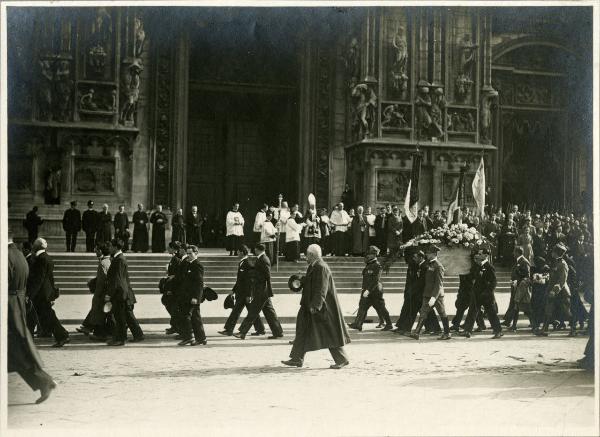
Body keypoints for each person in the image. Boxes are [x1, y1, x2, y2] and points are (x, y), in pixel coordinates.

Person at [282, 244, 351, 369]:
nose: (305, 256)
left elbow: (321, 289)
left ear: (312, 255)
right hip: (308, 305)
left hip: (322, 308)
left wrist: (316, 306)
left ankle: (342, 359)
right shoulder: (314, 266)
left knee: (329, 332)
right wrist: (301, 280)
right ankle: (297, 358)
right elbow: (312, 281)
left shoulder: (321, 267)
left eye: (307, 254)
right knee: (302, 330)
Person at [7, 235, 57, 404]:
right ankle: (44, 382)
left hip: (9, 307)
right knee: (15, 352)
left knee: (16, 352)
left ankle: (44, 381)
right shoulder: (19, 255)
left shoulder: (7, 256)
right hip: (16, 306)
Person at [26, 238, 70, 347]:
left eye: (34, 245)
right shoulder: (47, 257)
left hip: (40, 294)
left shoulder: (41, 259)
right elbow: (49, 278)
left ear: (36, 246)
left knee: (47, 316)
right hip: (45, 293)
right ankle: (61, 335)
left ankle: (62, 335)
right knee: (45, 315)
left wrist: (30, 294)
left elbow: (39, 279)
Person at [235, 243, 284, 340]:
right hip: (263, 290)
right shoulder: (262, 258)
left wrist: (253, 276)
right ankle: (278, 332)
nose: (254, 251)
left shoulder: (263, 259)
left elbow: (267, 275)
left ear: (258, 249)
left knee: (253, 311)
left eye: (255, 250)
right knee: (269, 312)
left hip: (262, 290)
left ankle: (243, 332)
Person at [219, 245, 266, 336]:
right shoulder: (242, 263)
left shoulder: (247, 263)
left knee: (238, 311)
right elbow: (240, 280)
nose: (237, 253)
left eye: (238, 251)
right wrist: (233, 290)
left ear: (242, 252)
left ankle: (229, 330)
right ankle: (260, 329)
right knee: (250, 311)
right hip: (241, 292)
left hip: (245, 293)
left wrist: (249, 294)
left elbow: (250, 281)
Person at [105, 239, 144, 345]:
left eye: (111, 246)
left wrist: (110, 294)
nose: (109, 248)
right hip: (123, 292)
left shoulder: (119, 260)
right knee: (127, 315)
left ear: (115, 247)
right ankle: (138, 335)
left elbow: (117, 279)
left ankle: (120, 339)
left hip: (120, 293)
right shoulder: (118, 258)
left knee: (120, 316)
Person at [460, 247, 504, 339]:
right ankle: (467, 330)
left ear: (484, 257)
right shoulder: (478, 266)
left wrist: (487, 292)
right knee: (472, 311)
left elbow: (494, 282)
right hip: (476, 294)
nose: (477, 257)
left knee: (491, 313)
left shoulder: (489, 267)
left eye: (479, 256)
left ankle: (498, 331)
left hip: (486, 295)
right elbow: (473, 277)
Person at [409, 245, 451, 340]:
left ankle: (447, 333)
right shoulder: (429, 264)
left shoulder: (438, 266)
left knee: (442, 313)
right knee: (423, 312)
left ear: (433, 254)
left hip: (436, 295)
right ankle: (416, 332)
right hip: (427, 293)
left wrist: (433, 297)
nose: (426, 254)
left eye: (428, 253)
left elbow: (438, 284)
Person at [348, 245, 393, 331]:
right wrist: (364, 289)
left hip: (375, 292)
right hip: (367, 291)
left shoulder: (377, 266)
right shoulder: (369, 265)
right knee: (362, 307)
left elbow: (375, 280)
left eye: (369, 254)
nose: (367, 256)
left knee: (381, 308)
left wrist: (368, 290)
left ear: (374, 255)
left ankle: (389, 324)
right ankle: (358, 324)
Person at [536, 243, 571, 337]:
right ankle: (545, 330)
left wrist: (554, 290)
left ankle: (573, 329)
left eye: (553, 251)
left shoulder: (563, 264)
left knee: (567, 312)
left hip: (561, 292)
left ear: (557, 253)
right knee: (548, 310)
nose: (552, 253)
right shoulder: (556, 262)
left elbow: (562, 280)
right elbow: (553, 276)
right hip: (553, 291)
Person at [178, 245, 207, 346]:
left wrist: (196, 297)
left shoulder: (197, 265)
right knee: (194, 317)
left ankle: (191, 337)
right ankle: (199, 338)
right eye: (188, 253)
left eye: (191, 253)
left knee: (188, 316)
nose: (189, 255)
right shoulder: (188, 264)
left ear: (196, 253)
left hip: (193, 297)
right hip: (186, 296)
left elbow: (199, 283)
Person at [87, 243, 113, 341]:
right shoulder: (109, 260)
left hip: (102, 293)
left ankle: (100, 334)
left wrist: (97, 295)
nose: (95, 250)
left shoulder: (103, 263)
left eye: (97, 249)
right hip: (108, 292)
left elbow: (102, 281)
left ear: (101, 251)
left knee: (99, 313)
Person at [508, 246, 533, 332]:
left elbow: (527, 275)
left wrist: (516, 281)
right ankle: (514, 326)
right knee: (516, 307)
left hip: (522, 288)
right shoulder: (519, 260)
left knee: (526, 307)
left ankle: (534, 326)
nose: (513, 253)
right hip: (518, 287)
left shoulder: (524, 261)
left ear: (518, 253)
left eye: (514, 252)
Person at [160, 242, 183, 335]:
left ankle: (177, 327)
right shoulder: (174, 258)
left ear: (173, 248)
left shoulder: (177, 259)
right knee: (170, 305)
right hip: (171, 286)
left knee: (172, 306)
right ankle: (174, 326)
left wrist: (170, 289)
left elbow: (178, 275)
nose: (167, 249)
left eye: (169, 247)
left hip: (174, 288)